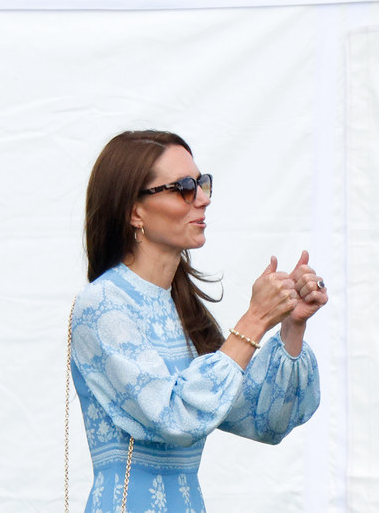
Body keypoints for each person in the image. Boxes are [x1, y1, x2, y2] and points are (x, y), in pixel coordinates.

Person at [70, 130, 327, 513]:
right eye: (184, 188)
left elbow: (260, 420)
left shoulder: (181, 306)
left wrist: (291, 325)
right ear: (134, 211)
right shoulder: (103, 304)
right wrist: (255, 320)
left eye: (202, 183)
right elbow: (174, 417)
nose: (203, 198)